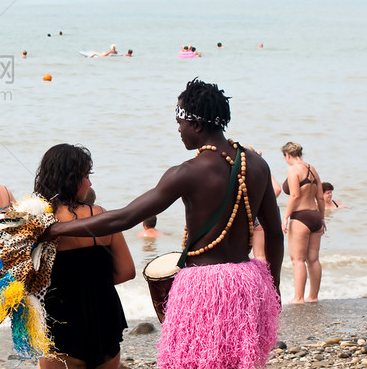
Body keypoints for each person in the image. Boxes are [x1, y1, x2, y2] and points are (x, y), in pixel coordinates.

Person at [44, 79, 282, 369]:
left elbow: (125, 217)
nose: (178, 129)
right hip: (247, 283)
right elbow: (274, 233)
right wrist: (275, 288)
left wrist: (55, 229)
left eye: (179, 120)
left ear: (195, 124)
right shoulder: (256, 164)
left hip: (204, 288)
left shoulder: (187, 172)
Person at [35, 144, 134, 369]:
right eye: (86, 176)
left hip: (60, 320)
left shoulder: (38, 221)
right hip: (105, 316)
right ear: (71, 178)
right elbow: (127, 271)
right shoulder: (100, 216)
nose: (90, 183)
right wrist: (94, 281)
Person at [281, 141, 325, 304]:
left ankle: (298, 298)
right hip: (314, 216)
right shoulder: (312, 168)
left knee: (298, 260)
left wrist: (285, 216)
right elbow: (320, 197)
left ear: (287, 155)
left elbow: (294, 196)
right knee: (313, 259)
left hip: (301, 217)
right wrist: (321, 218)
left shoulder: (293, 169)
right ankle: (313, 296)